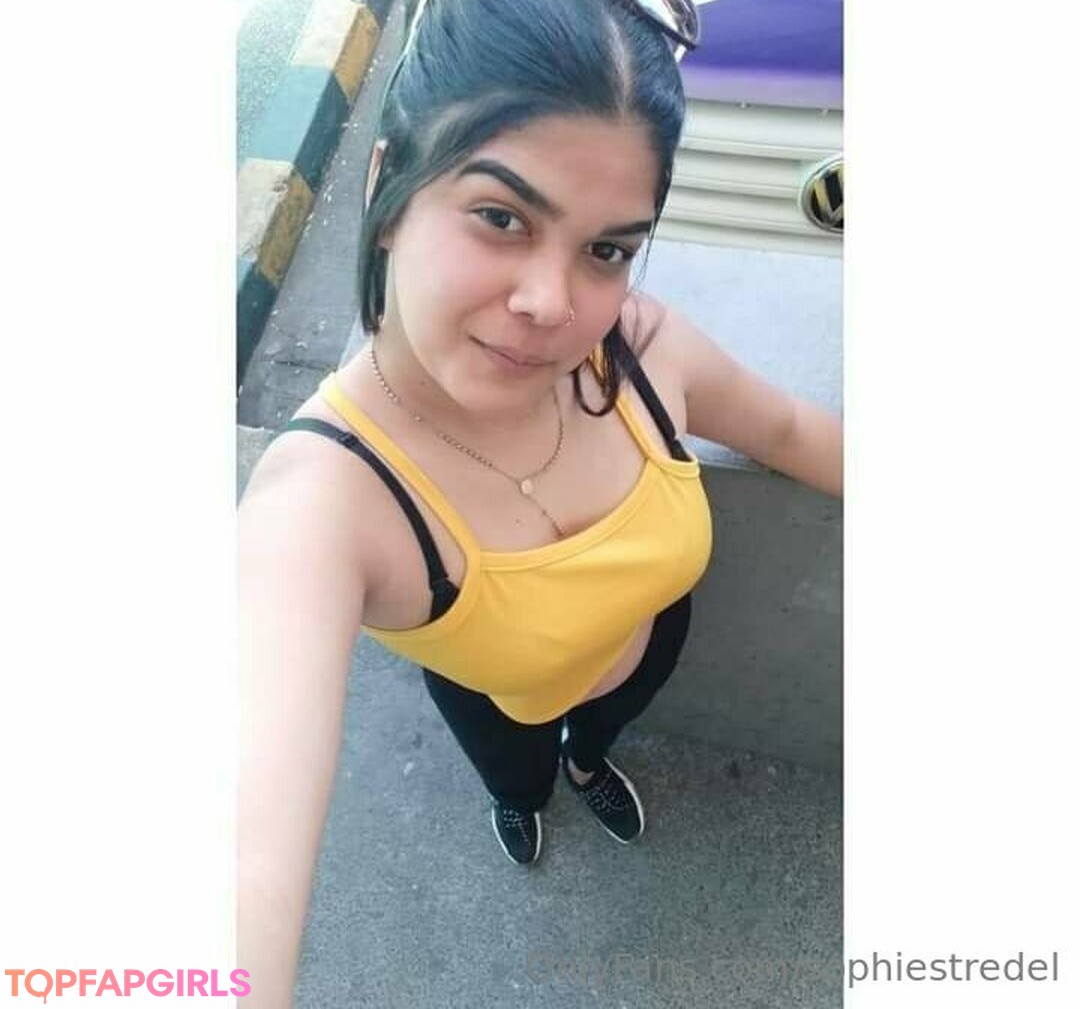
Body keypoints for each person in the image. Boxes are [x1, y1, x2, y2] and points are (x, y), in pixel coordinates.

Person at [238, 0, 842, 1002]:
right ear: (388, 189)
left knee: (598, 738)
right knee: (518, 774)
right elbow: (240, 849)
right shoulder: (326, 497)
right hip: (500, 702)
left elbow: (787, 430)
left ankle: (590, 765)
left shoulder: (639, 348)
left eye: (607, 250)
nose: (552, 304)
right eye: (501, 217)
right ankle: (521, 800)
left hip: (648, 649)